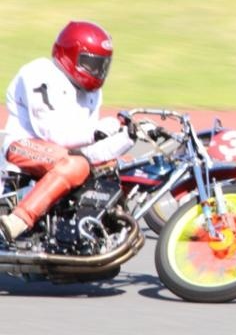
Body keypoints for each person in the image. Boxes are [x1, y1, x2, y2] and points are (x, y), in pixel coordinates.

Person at [0, 21, 136, 242]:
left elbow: (87, 148)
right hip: (22, 145)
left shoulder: (92, 92)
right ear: (68, 55)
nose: (97, 71)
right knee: (76, 165)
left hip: (63, 153)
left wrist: (125, 138)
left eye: (102, 65)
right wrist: (96, 132)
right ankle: (17, 221)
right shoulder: (39, 74)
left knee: (121, 165)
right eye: (91, 63)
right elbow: (52, 133)